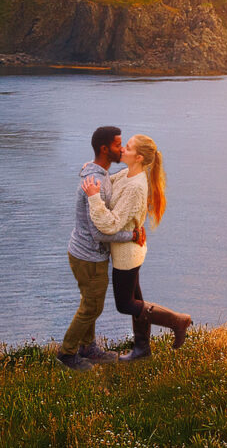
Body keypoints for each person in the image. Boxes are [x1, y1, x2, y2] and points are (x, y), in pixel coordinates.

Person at [80, 134, 190, 361]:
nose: (122, 150)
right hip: (129, 249)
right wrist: (93, 170)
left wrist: (93, 199)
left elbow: (110, 224)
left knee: (126, 304)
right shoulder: (127, 175)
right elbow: (108, 185)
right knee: (135, 297)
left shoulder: (135, 187)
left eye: (127, 148)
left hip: (127, 254)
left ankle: (178, 321)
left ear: (138, 157)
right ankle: (142, 350)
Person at [59, 126, 146, 371]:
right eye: (119, 145)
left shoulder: (100, 174)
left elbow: (117, 178)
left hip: (84, 252)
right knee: (92, 307)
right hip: (89, 255)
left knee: (90, 301)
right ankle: (67, 354)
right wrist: (132, 235)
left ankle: (89, 348)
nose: (122, 149)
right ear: (105, 149)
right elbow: (99, 232)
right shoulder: (96, 180)